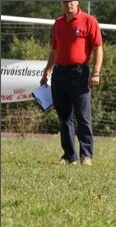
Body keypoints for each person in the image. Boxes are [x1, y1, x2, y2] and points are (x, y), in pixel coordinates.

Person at [40, 1, 103, 166]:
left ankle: (86, 155)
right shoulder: (58, 22)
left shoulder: (89, 21)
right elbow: (54, 49)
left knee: (83, 116)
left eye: (72, 1)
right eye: (65, 1)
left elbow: (97, 48)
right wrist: (47, 70)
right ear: (62, 3)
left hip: (79, 73)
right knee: (63, 116)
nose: (69, 4)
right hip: (59, 74)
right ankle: (69, 156)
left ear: (77, 2)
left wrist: (96, 72)